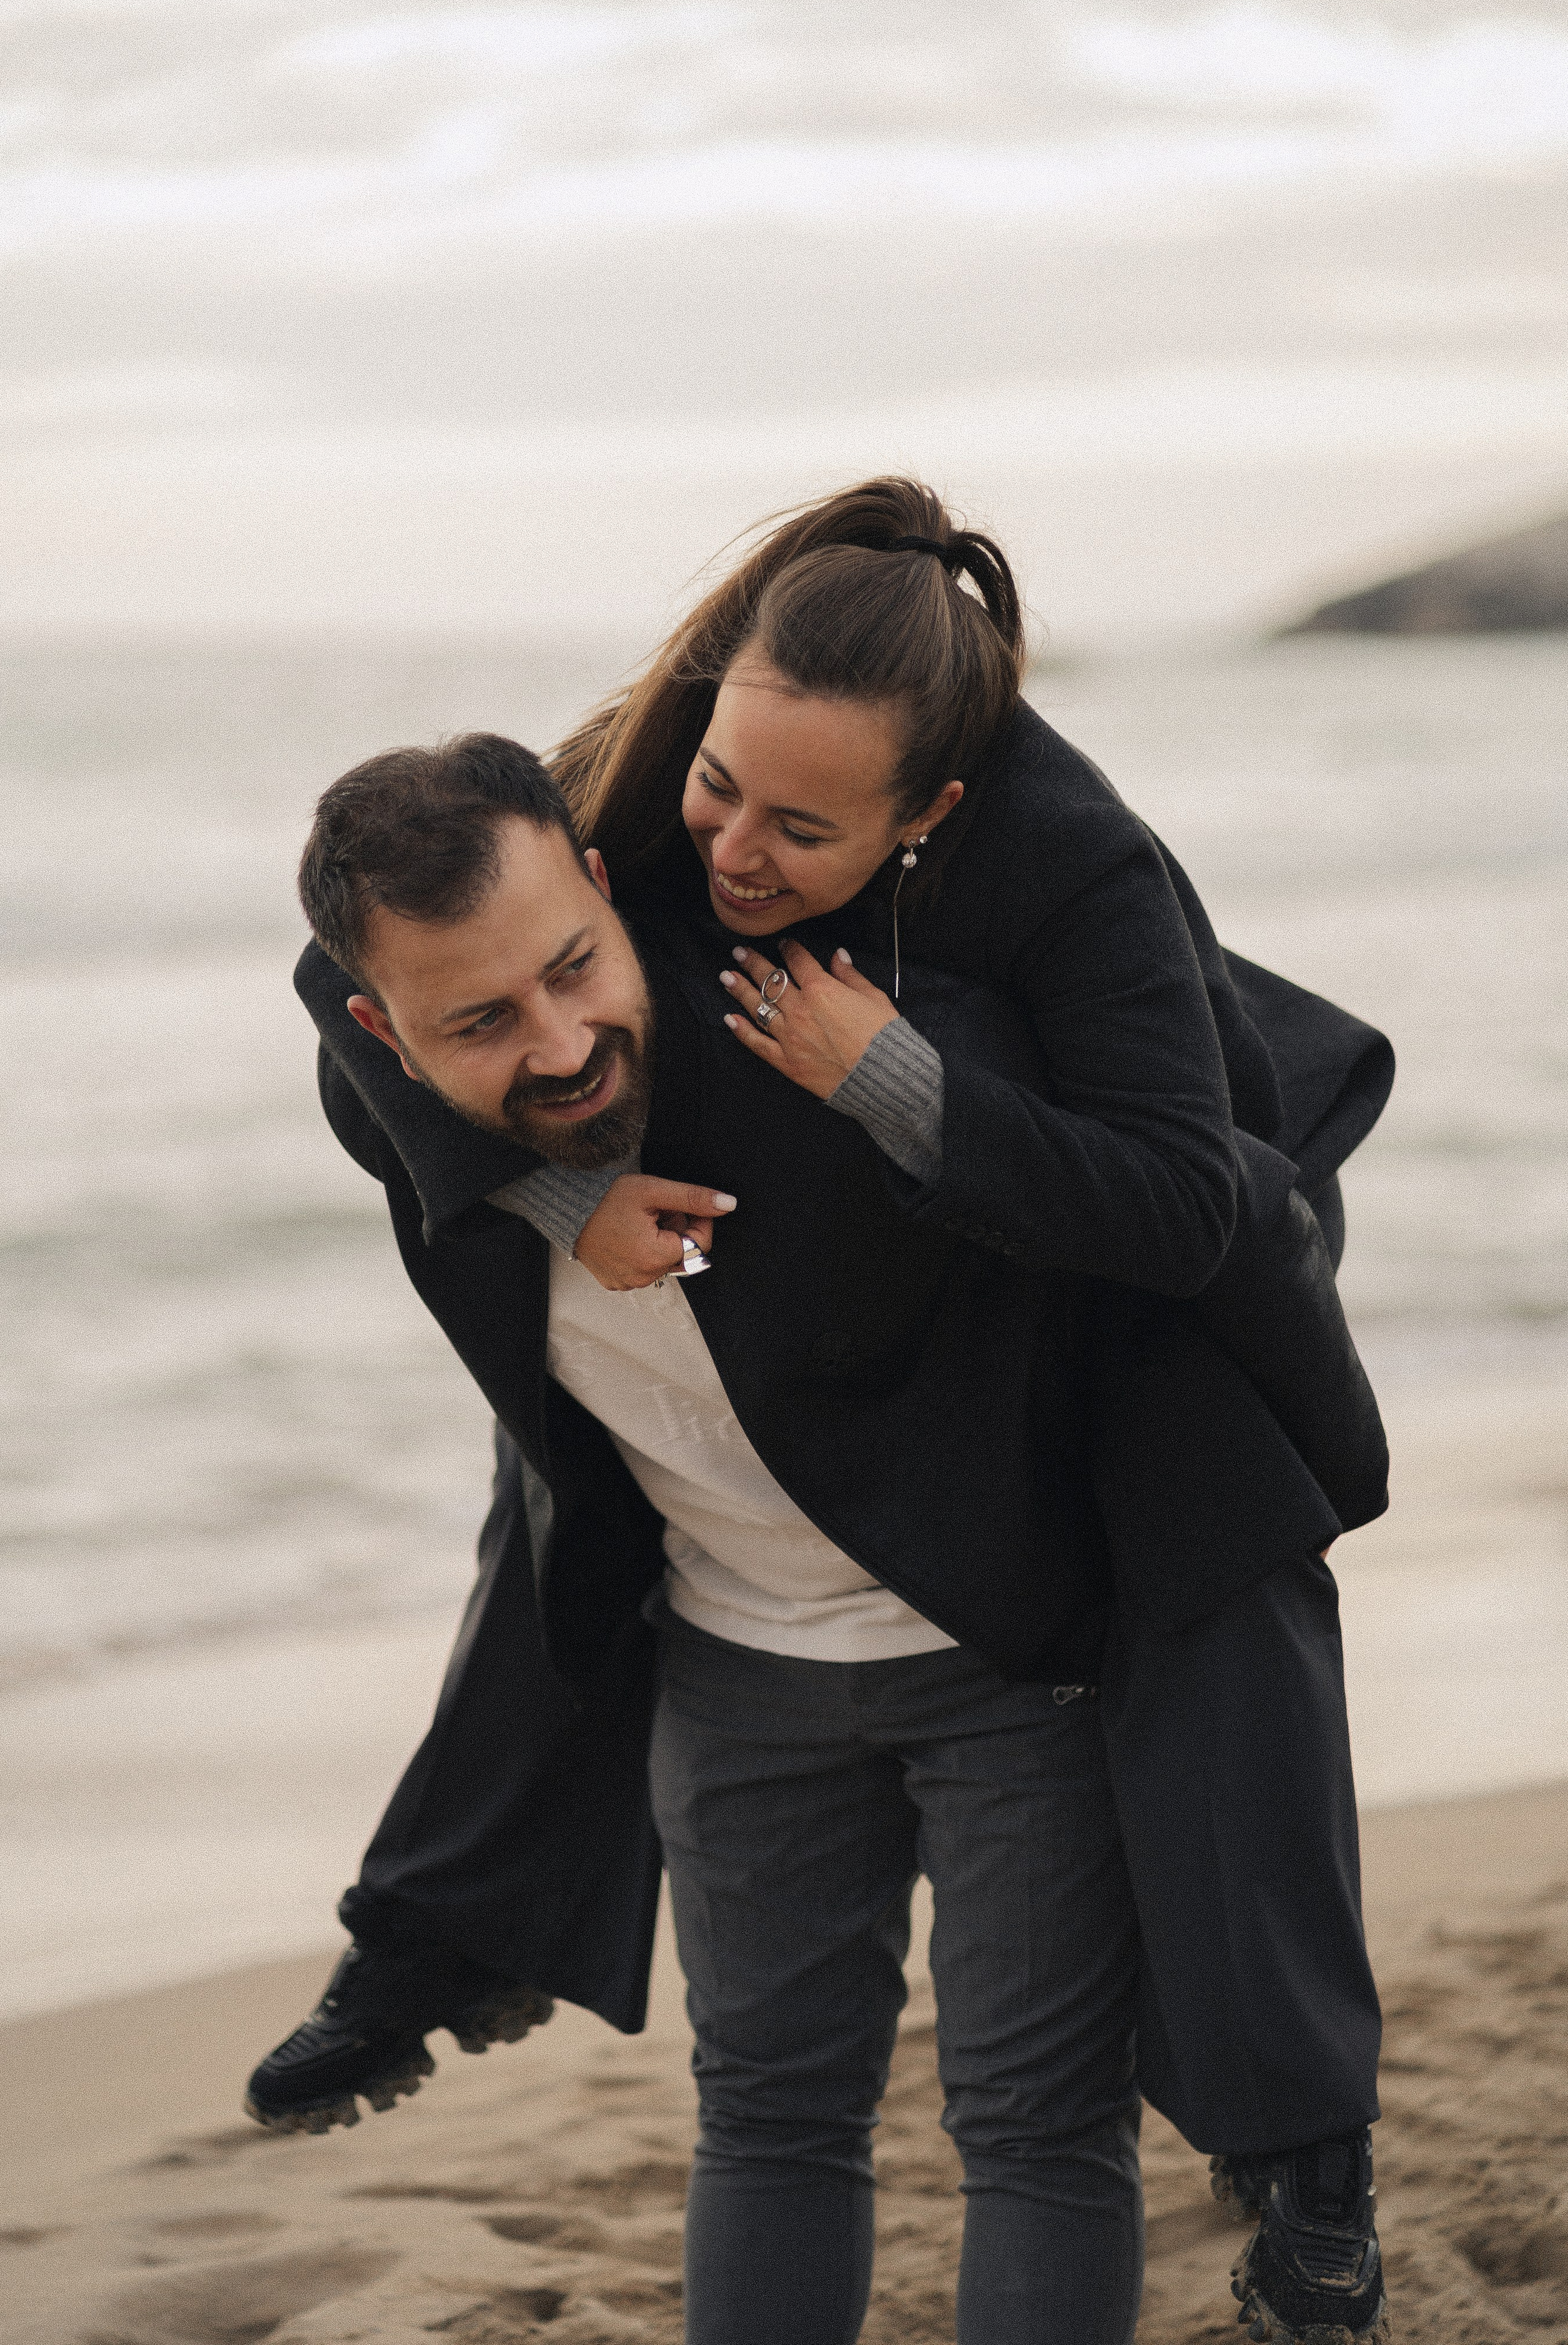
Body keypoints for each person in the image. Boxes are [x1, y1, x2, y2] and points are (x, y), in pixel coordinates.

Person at [250, 578, 1390, 2342]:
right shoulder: (416, 1110)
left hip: (1013, 1659)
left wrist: (912, 1095)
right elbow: (361, 992)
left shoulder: (862, 1026)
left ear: (603, 889)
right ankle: (428, 1946)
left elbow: (1190, 1202)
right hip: (738, 1677)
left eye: (571, 969)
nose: (555, 1042)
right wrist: (558, 1194)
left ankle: (1314, 2169)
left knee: (1035, 2128)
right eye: (479, 1025)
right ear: (386, 1037)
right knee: (769, 2121)